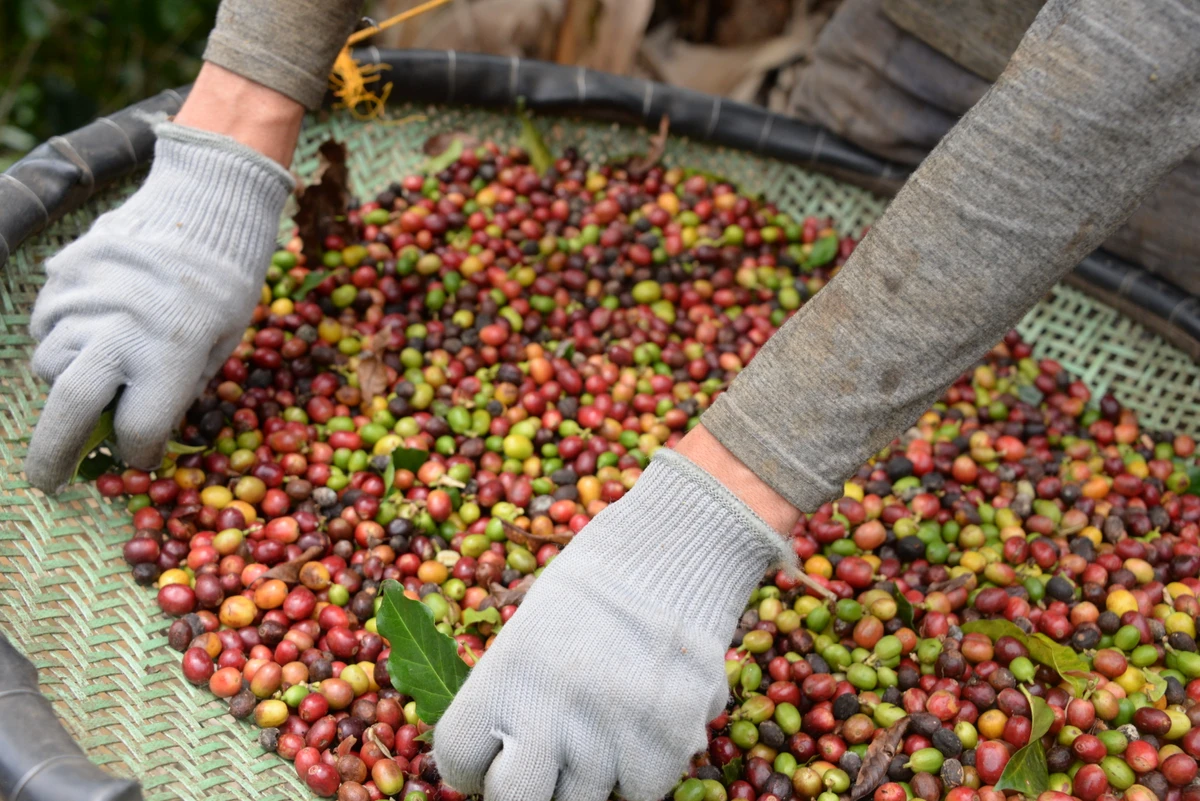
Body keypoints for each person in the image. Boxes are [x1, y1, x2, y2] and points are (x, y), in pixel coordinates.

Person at [23, 1, 1200, 799]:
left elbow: (1149, 43)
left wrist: (714, 511)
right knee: (826, 255)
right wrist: (234, 124)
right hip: (930, 35)